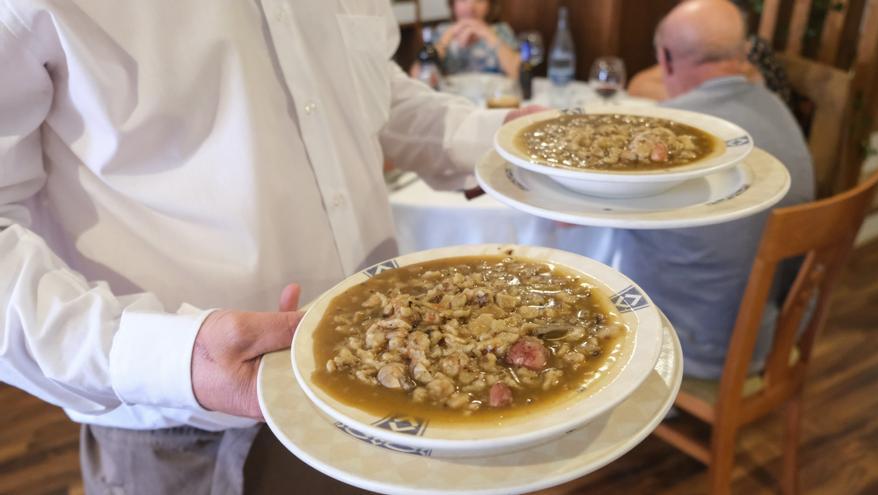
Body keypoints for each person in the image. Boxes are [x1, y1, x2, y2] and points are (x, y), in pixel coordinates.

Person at [0, 1, 538, 493]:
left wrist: (490, 139)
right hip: (182, 438)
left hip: (386, 383)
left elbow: (364, 84)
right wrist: (165, 358)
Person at [612, 0, 815, 379]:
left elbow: (576, 220)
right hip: (773, 331)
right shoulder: (776, 106)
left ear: (665, 60)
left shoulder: (668, 134)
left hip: (690, 344)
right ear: (743, 53)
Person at [627, 1, 792, 106]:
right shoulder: (698, 45)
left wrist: (689, 95)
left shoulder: (750, 50)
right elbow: (638, 85)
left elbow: (724, 93)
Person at [409, 0, 520, 78]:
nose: (470, 8)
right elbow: (417, 76)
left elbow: (519, 73)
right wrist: (447, 37)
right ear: (453, 5)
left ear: (489, 5)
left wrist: (487, 34)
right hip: (452, 101)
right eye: (463, 0)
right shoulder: (442, 31)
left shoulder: (501, 30)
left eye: (479, 0)